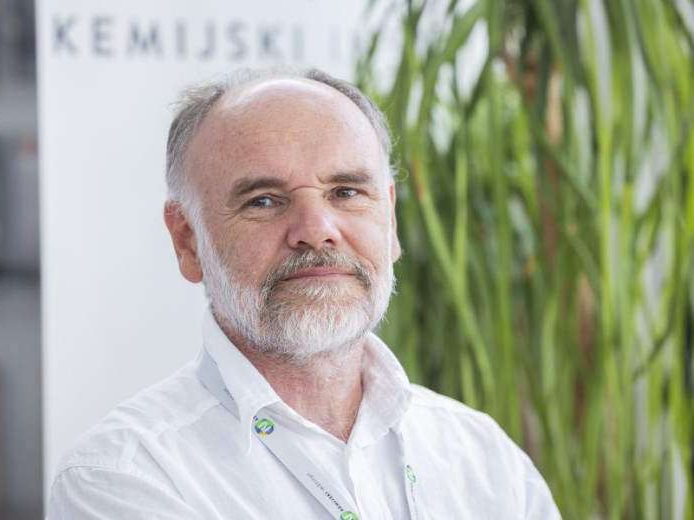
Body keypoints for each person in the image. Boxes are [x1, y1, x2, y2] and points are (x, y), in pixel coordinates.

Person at [48, 68, 561, 519]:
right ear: (188, 241)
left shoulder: (485, 458)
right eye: (263, 200)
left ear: (390, 219)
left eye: (346, 192)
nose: (316, 230)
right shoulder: (124, 475)